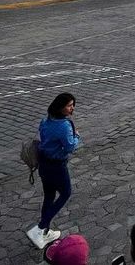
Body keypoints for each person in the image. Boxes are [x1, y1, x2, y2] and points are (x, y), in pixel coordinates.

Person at [28, 92, 81, 250]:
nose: (72, 108)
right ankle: (41, 226)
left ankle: (45, 231)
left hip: (44, 164)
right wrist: (77, 136)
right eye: (69, 105)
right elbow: (70, 146)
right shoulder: (64, 126)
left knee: (49, 195)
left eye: (72, 105)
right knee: (65, 193)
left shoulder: (45, 120)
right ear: (60, 107)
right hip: (57, 166)